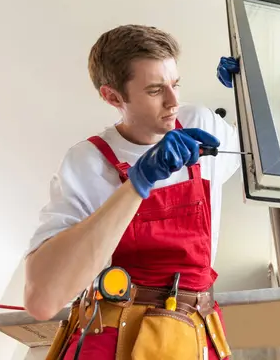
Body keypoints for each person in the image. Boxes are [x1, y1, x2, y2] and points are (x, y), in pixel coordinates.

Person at [23, 24, 241, 359]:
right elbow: (42, 299)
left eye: (175, 84)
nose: (173, 101)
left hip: (193, 331)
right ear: (112, 97)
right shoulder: (88, 162)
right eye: (155, 91)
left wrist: (248, 89)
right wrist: (137, 185)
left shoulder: (200, 125)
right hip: (114, 337)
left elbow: (263, 151)